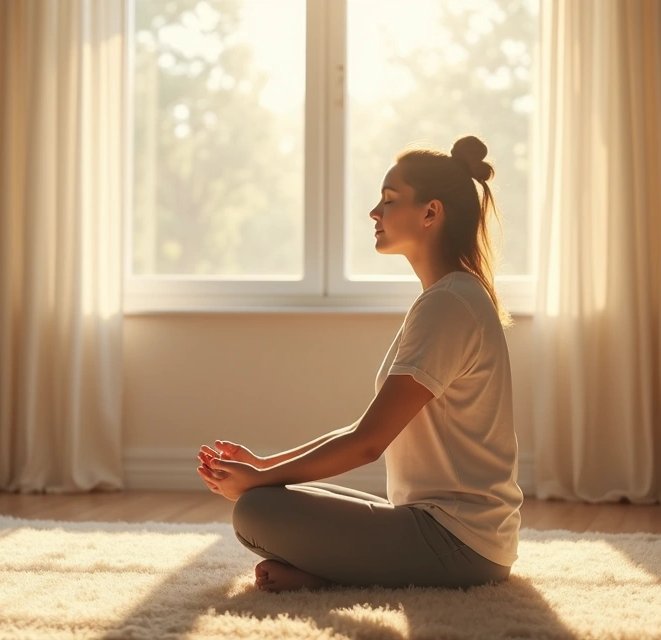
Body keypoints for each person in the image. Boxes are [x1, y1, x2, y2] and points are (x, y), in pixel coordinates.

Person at [196, 135, 523, 593]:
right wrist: (265, 466)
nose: (375, 213)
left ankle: (337, 576)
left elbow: (367, 443)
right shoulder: (448, 298)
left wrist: (260, 479)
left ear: (431, 213)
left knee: (256, 510)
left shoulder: (448, 305)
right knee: (270, 495)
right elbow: (363, 429)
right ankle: (340, 571)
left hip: (459, 545)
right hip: (443, 532)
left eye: (389, 201)